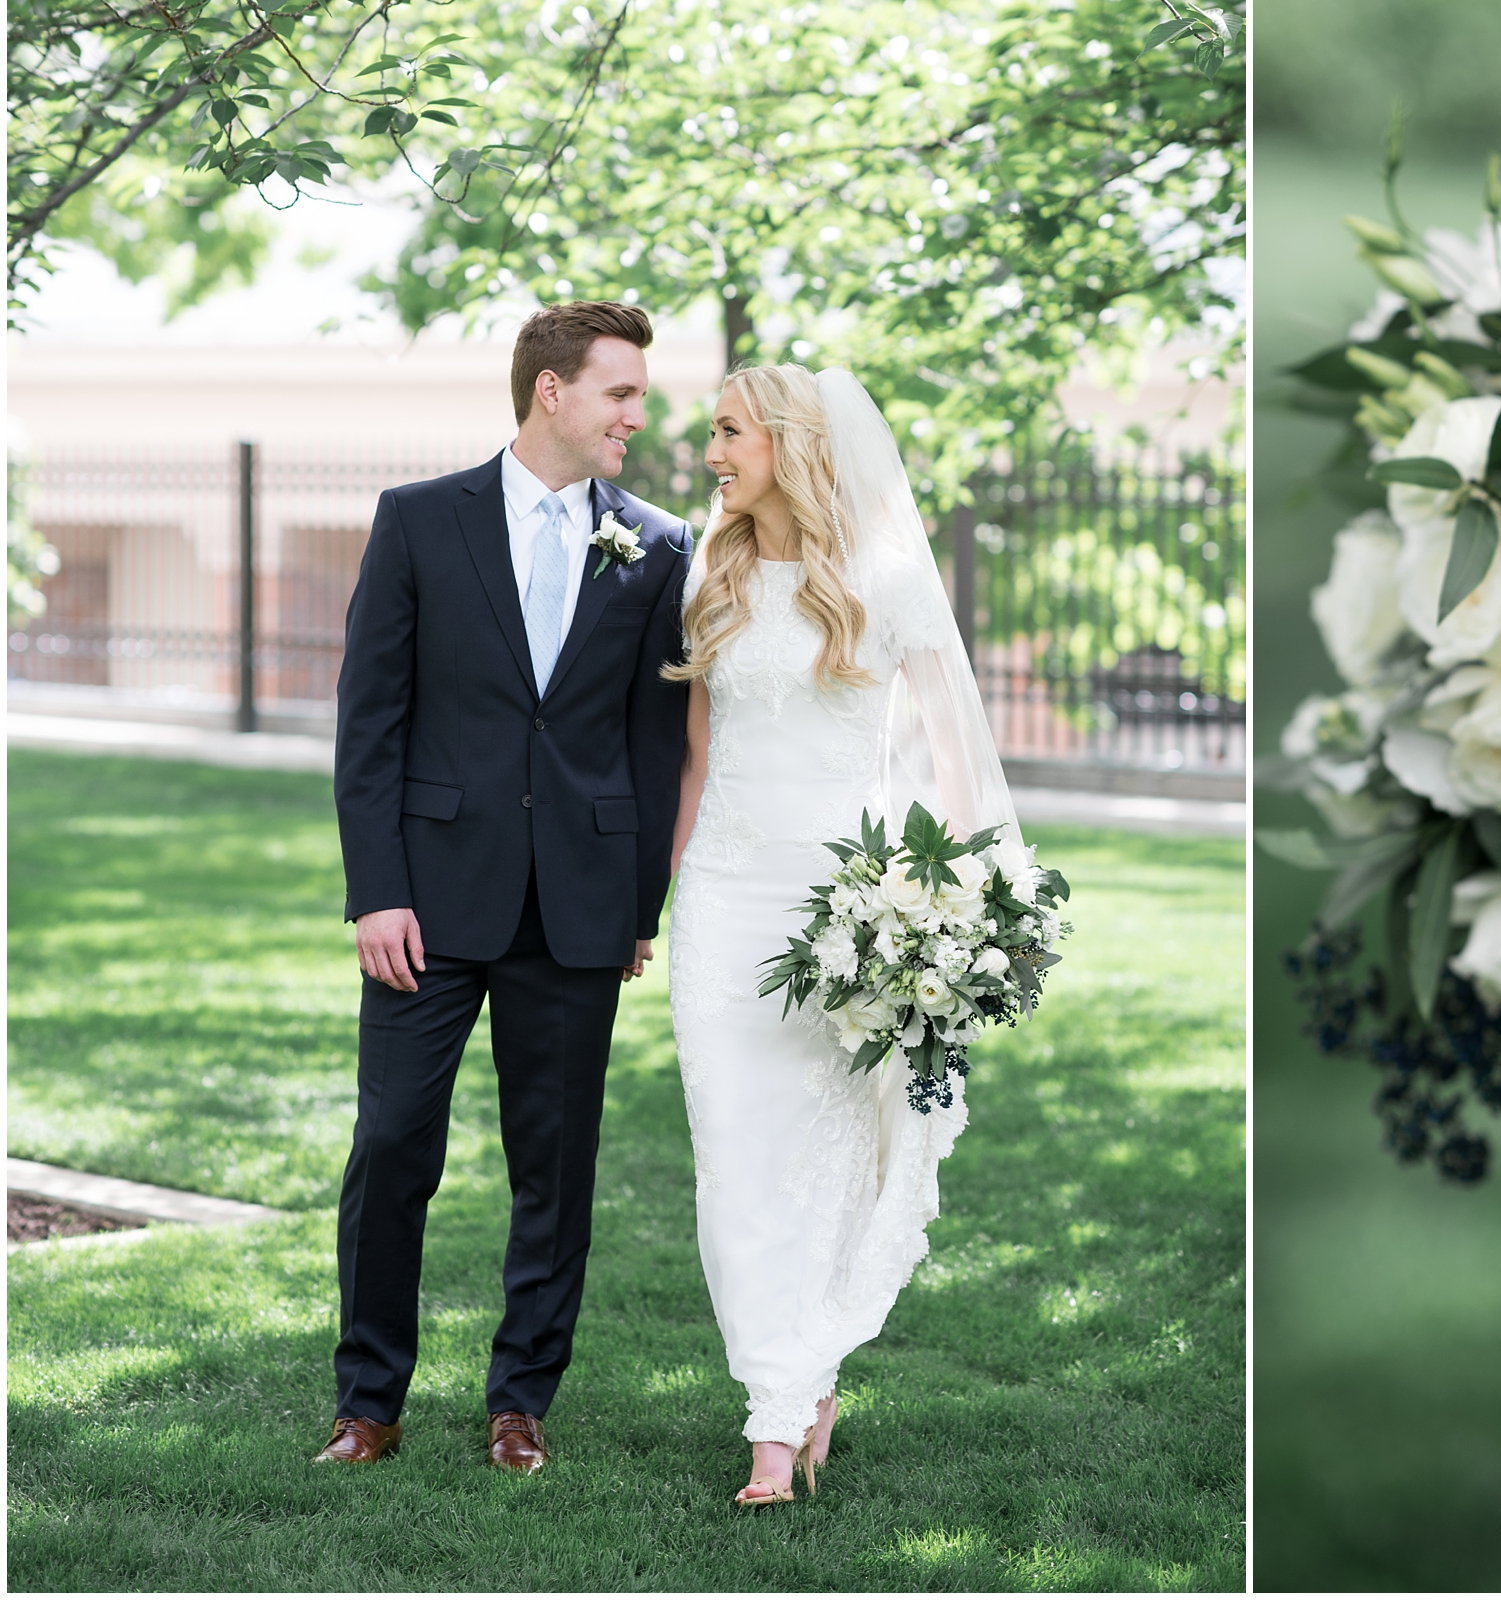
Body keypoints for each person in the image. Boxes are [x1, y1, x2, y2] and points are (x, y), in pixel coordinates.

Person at [317, 301, 692, 1472]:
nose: (639, 413)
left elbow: (651, 742)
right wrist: (377, 891)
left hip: (577, 908)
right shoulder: (421, 521)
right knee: (393, 1147)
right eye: (621, 392)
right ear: (553, 394)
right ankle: (368, 1403)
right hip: (425, 904)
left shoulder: (658, 542)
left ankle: (520, 1400)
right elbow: (369, 722)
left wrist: (636, 909)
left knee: (556, 1162)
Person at [663, 360, 1020, 1507]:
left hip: (839, 908)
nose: (710, 452)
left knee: (830, 1154)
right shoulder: (707, 574)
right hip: (723, 896)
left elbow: (953, 768)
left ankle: (784, 1411)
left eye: (727, 432)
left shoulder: (882, 580)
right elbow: (697, 759)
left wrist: (955, 916)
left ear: (786, 442)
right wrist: (653, 902)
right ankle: (783, 1395)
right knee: (734, 1158)